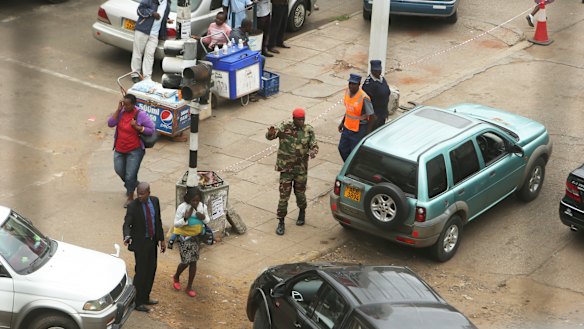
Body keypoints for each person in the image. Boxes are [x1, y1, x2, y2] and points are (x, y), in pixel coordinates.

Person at [266, 108, 318, 235]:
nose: (301, 122)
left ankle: (302, 211)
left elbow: (314, 145)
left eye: (303, 119)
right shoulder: (284, 127)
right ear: (294, 119)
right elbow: (270, 136)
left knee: (300, 195)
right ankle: (281, 222)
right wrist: (271, 133)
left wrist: (313, 151)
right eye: (299, 119)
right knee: (283, 197)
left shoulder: (308, 130)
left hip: (300, 170)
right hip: (286, 169)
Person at [122, 182, 166, 312]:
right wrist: (127, 236)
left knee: (151, 269)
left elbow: (158, 221)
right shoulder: (133, 206)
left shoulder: (155, 201)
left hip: (152, 242)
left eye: (142, 194)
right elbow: (127, 224)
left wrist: (162, 240)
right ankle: (137, 301)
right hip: (140, 244)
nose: (140, 196)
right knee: (141, 272)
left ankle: (145, 296)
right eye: (138, 194)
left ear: (149, 193)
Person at [108, 94, 155, 208]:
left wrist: (137, 127)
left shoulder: (140, 114)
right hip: (120, 148)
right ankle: (134, 184)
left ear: (133, 105)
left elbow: (151, 130)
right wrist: (118, 110)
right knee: (119, 170)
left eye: (127, 105)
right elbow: (110, 123)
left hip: (134, 150)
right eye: (123, 104)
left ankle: (130, 196)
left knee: (130, 175)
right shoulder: (121, 112)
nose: (125, 106)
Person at [172, 187, 210, 297]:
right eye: (193, 200)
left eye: (197, 200)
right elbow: (176, 224)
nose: (195, 203)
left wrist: (203, 217)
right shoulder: (182, 207)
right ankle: (176, 276)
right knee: (186, 261)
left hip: (196, 237)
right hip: (184, 237)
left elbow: (207, 220)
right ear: (188, 199)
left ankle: (189, 287)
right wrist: (185, 219)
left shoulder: (202, 207)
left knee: (194, 261)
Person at [130, 0, 173, 83]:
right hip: (142, 30)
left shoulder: (167, 3)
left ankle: (147, 77)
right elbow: (140, 10)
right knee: (138, 53)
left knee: (150, 55)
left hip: (154, 34)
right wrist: (152, 13)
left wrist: (167, 20)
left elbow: (162, 14)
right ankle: (135, 74)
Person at [337, 73, 375, 162]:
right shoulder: (347, 92)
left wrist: (367, 133)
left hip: (359, 129)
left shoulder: (364, 97)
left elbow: (372, 116)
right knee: (342, 148)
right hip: (347, 127)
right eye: (350, 83)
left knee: (354, 152)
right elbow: (348, 110)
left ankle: (352, 167)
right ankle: (348, 166)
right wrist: (342, 123)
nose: (351, 86)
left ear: (358, 85)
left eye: (353, 84)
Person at [362, 60, 391, 132]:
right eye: (375, 71)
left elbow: (386, 94)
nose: (377, 72)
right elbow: (366, 102)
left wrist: (385, 112)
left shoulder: (382, 79)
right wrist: (372, 116)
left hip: (382, 114)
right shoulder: (368, 84)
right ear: (371, 70)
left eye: (379, 70)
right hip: (374, 117)